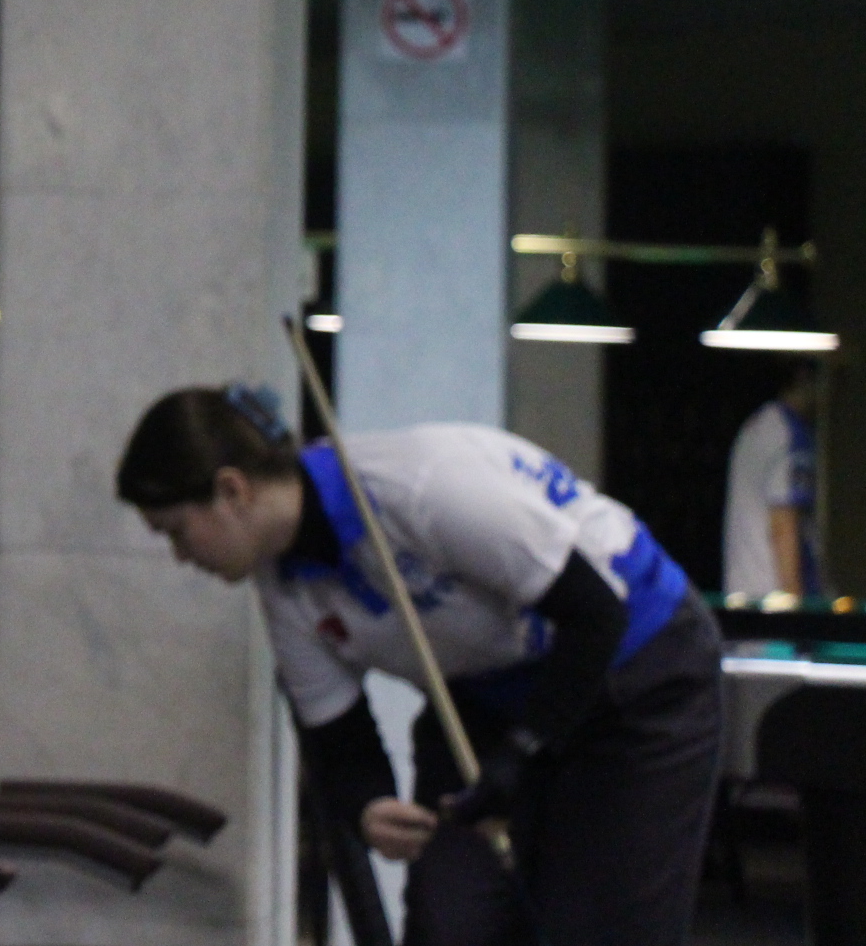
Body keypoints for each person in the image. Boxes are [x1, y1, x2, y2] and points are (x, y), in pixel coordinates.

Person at [116, 386, 722, 946]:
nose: (179, 556)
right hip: (488, 698)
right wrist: (369, 806)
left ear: (232, 491)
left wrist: (525, 750)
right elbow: (340, 735)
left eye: (177, 531)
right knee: (449, 924)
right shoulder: (280, 585)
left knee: (599, 929)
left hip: (635, 669)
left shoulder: (427, 487)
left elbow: (596, 614)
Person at [722, 360, 824, 601]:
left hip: (744, 592)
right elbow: (783, 525)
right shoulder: (789, 434)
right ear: (804, 377)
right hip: (775, 598)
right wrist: (795, 608)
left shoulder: (759, 423)